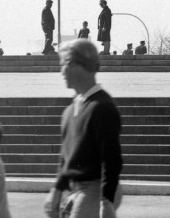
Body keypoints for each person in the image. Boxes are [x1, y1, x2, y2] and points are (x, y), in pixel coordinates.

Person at [44, 39, 123, 218]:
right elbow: (66, 158)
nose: (61, 71)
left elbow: (111, 159)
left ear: (77, 65)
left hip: (96, 188)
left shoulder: (101, 107)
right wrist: (57, 190)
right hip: (77, 187)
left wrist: (106, 201)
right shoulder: (70, 110)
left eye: (63, 65)